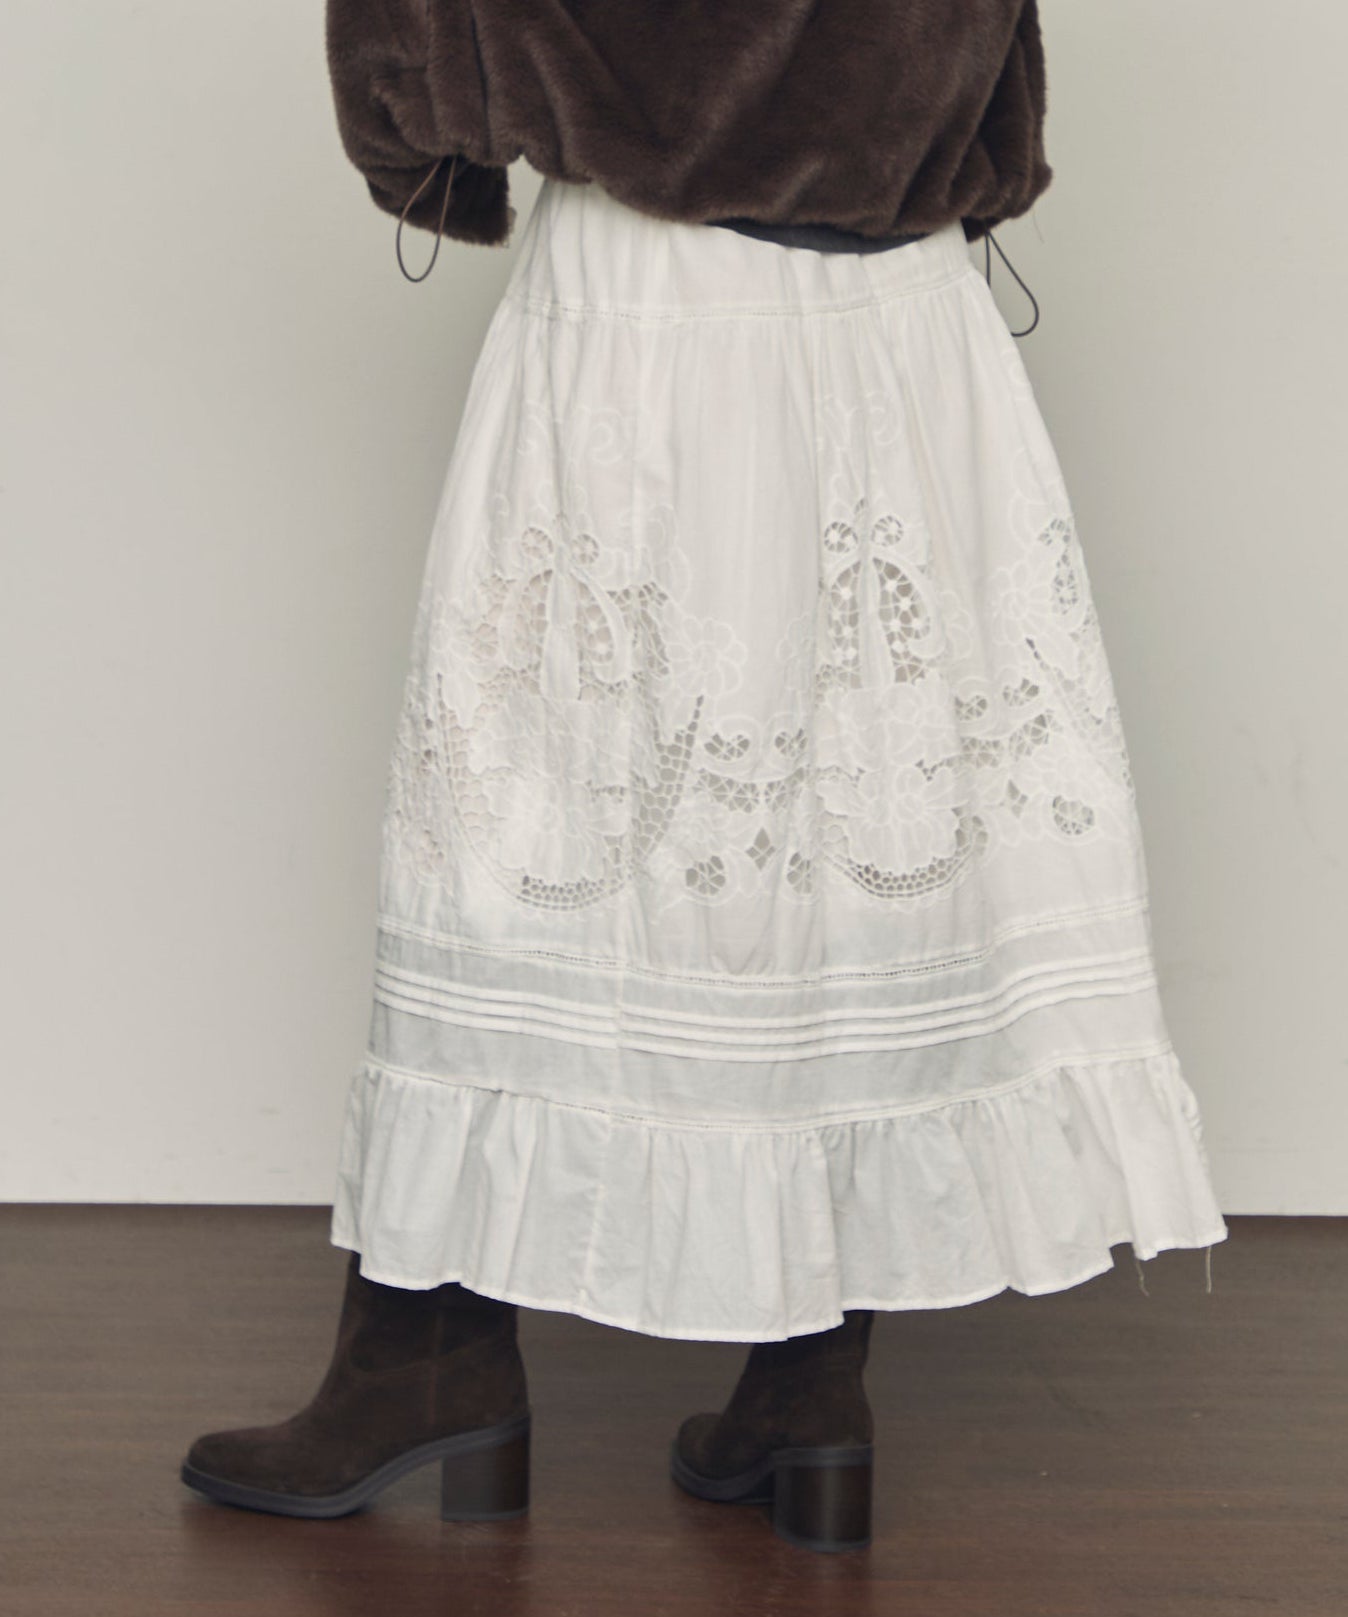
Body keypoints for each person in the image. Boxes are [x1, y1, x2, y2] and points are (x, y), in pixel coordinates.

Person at [180, 0, 1228, 1554]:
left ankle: (428, 1349)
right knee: (844, 840)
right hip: (898, 314)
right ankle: (810, 1388)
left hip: (651, 310)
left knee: (531, 819)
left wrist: (414, 124)